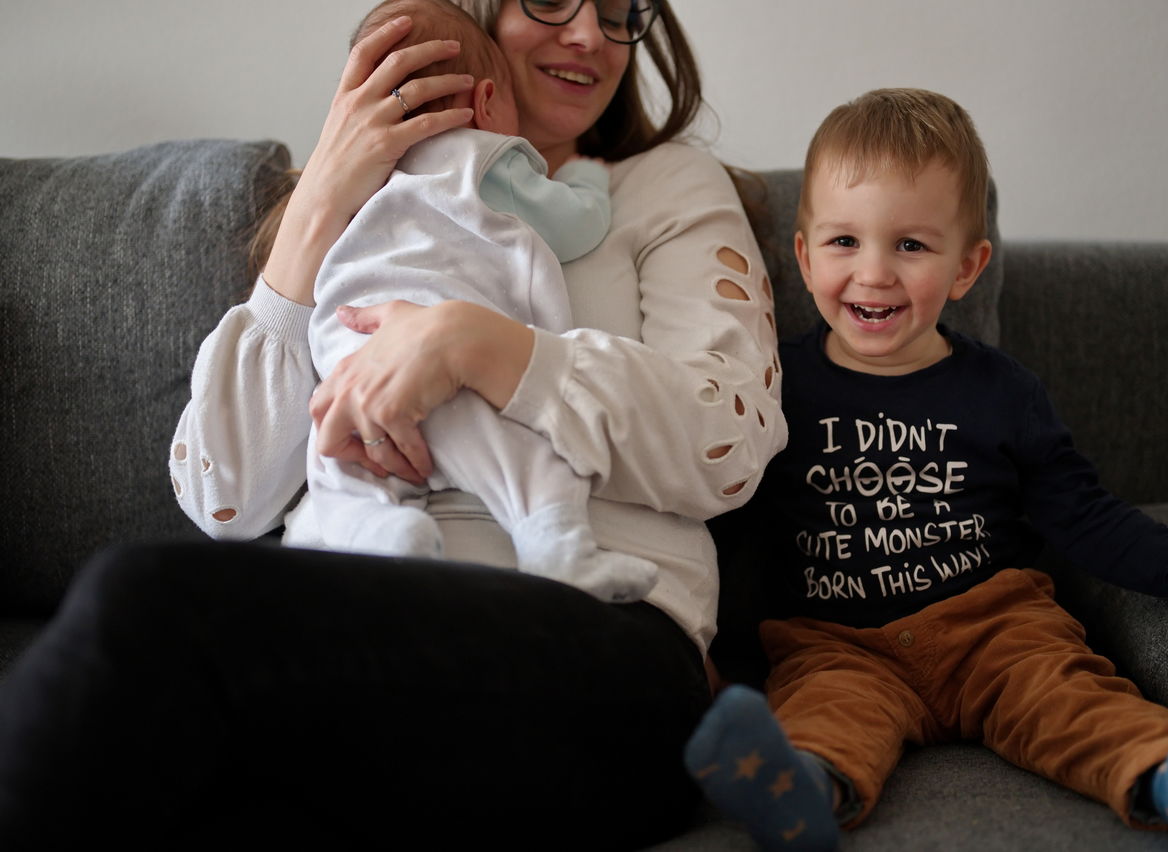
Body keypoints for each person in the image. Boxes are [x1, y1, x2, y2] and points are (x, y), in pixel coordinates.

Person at [0, 1, 785, 848]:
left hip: (599, 633)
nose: (591, 36)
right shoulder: (365, 215)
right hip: (361, 615)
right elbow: (224, 501)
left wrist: (473, 344)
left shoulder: (659, 185)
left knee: (138, 602)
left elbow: (730, 443)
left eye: (620, 10)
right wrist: (321, 203)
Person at [682, 88, 1168, 852]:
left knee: (1069, 697)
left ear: (967, 267)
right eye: (843, 242)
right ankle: (799, 791)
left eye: (910, 246)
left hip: (994, 626)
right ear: (802, 257)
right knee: (824, 712)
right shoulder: (773, 387)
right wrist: (714, 655)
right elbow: (735, 526)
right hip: (837, 642)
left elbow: (1084, 513)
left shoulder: (1003, 394)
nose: (873, 273)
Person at [301, 0, 657, 604]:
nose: (588, 34)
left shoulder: (364, 185)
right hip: (451, 380)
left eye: (619, 13)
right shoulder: (486, 159)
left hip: (347, 353)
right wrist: (588, 181)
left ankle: (385, 536)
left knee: (336, 478)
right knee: (535, 460)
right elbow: (574, 225)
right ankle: (559, 551)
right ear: (489, 102)